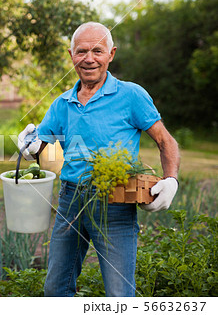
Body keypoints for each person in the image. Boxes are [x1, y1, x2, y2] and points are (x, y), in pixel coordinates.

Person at [18, 22, 180, 297]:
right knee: (55, 289)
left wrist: (171, 180)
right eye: (82, 51)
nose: (89, 58)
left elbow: (166, 141)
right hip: (70, 202)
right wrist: (29, 146)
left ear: (111, 54)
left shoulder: (131, 95)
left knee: (119, 294)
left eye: (97, 50)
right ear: (71, 55)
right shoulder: (62, 103)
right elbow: (42, 147)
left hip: (115, 201)